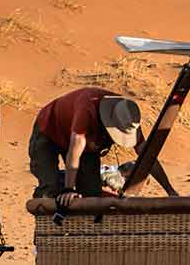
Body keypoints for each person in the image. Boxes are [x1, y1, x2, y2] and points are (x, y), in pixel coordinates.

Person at [28, 87, 176, 205]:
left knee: (91, 193)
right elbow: (75, 149)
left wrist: (170, 191)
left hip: (87, 144)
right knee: (50, 187)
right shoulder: (87, 109)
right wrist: (69, 189)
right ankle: (46, 235)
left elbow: (148, 157)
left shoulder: (127, 117)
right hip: (49, 129)